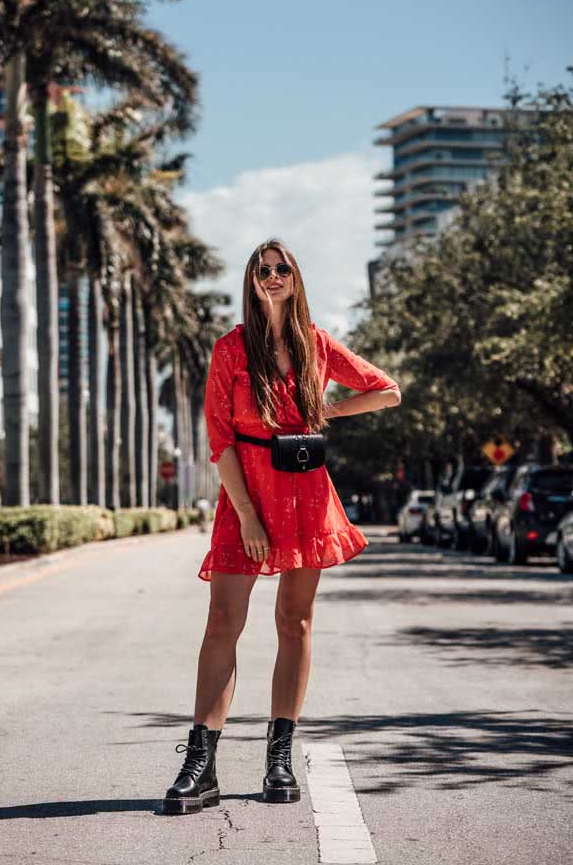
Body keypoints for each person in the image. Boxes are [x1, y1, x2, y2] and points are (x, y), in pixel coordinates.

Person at [162, 238, 401, 815]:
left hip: (305, 495)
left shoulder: (316, 344)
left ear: (295, 278)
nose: (271, 277)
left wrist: (330, 410)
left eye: (281, 269)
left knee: (294, 622)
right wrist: (245, 514)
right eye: (262, 270)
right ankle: (201, 763)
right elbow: (220, 439)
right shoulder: (231, 350)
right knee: (223, 620)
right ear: (250, 281)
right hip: (246, 495)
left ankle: (279, 757)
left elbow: (387, 391)